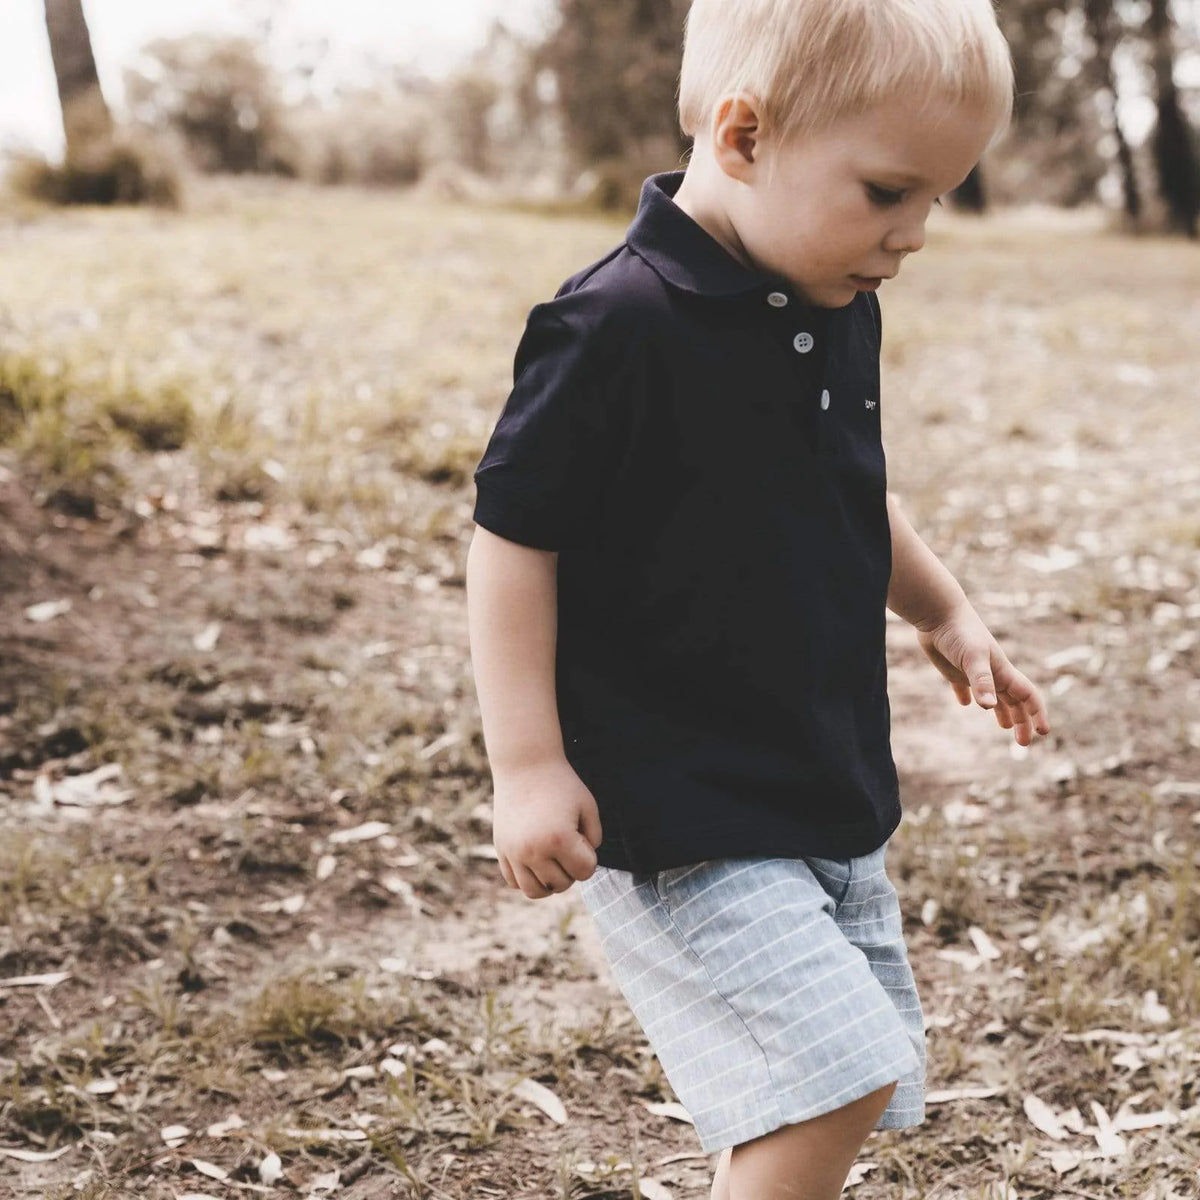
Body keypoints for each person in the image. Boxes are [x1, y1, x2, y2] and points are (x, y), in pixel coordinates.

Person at [466, 1, 1051, 1195]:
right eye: (890, 191)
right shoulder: (613, 325)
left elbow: (848, 485)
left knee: (819, 1087)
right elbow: (513, 536)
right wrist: (526, 764)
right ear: (742, 137)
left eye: (939, 198)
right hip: (682, 805)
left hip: (818, 780)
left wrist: (941, 610)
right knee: (836, 1075)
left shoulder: (834, 299)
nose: (917, 232)